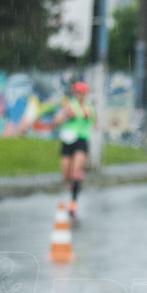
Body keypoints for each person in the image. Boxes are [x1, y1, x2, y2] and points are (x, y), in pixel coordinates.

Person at [54, 80, 95, 216]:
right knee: (66, 175)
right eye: (77, 92)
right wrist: (66, 116)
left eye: (81, 93)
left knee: (75, 172)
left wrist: (87, 119)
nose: (79, 95)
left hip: (82, 140)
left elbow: (95, 123)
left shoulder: (89, 107)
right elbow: (57, 121)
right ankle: (74, 187)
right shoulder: (69, 105)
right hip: (68, 140)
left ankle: (73, 201)